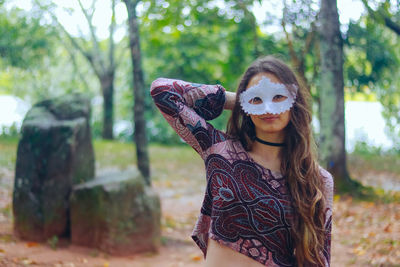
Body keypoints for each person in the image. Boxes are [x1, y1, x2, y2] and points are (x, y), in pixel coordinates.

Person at [150, 55, 333, 267]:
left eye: (278, 97)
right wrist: (239, 102)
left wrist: (259, 99)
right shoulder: (219, 150)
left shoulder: (318, 179)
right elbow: (163, 91)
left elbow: (319, 260)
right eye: (256, 98)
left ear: (295, 101)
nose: (268, 107)